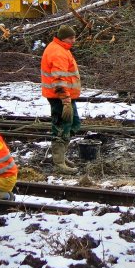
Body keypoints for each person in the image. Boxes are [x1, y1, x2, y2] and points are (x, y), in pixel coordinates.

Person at [40, 24, 81, 174]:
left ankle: (62, 156)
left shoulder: (62, 48)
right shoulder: (58, 52)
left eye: (74, 37)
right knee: (61, 128)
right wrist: (65, 100)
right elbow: (58, 80)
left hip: (65, 96)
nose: (73, 40)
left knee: (73, 124)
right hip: (60, 98)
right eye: (71, 38)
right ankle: (59, 163)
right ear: (63, 38)